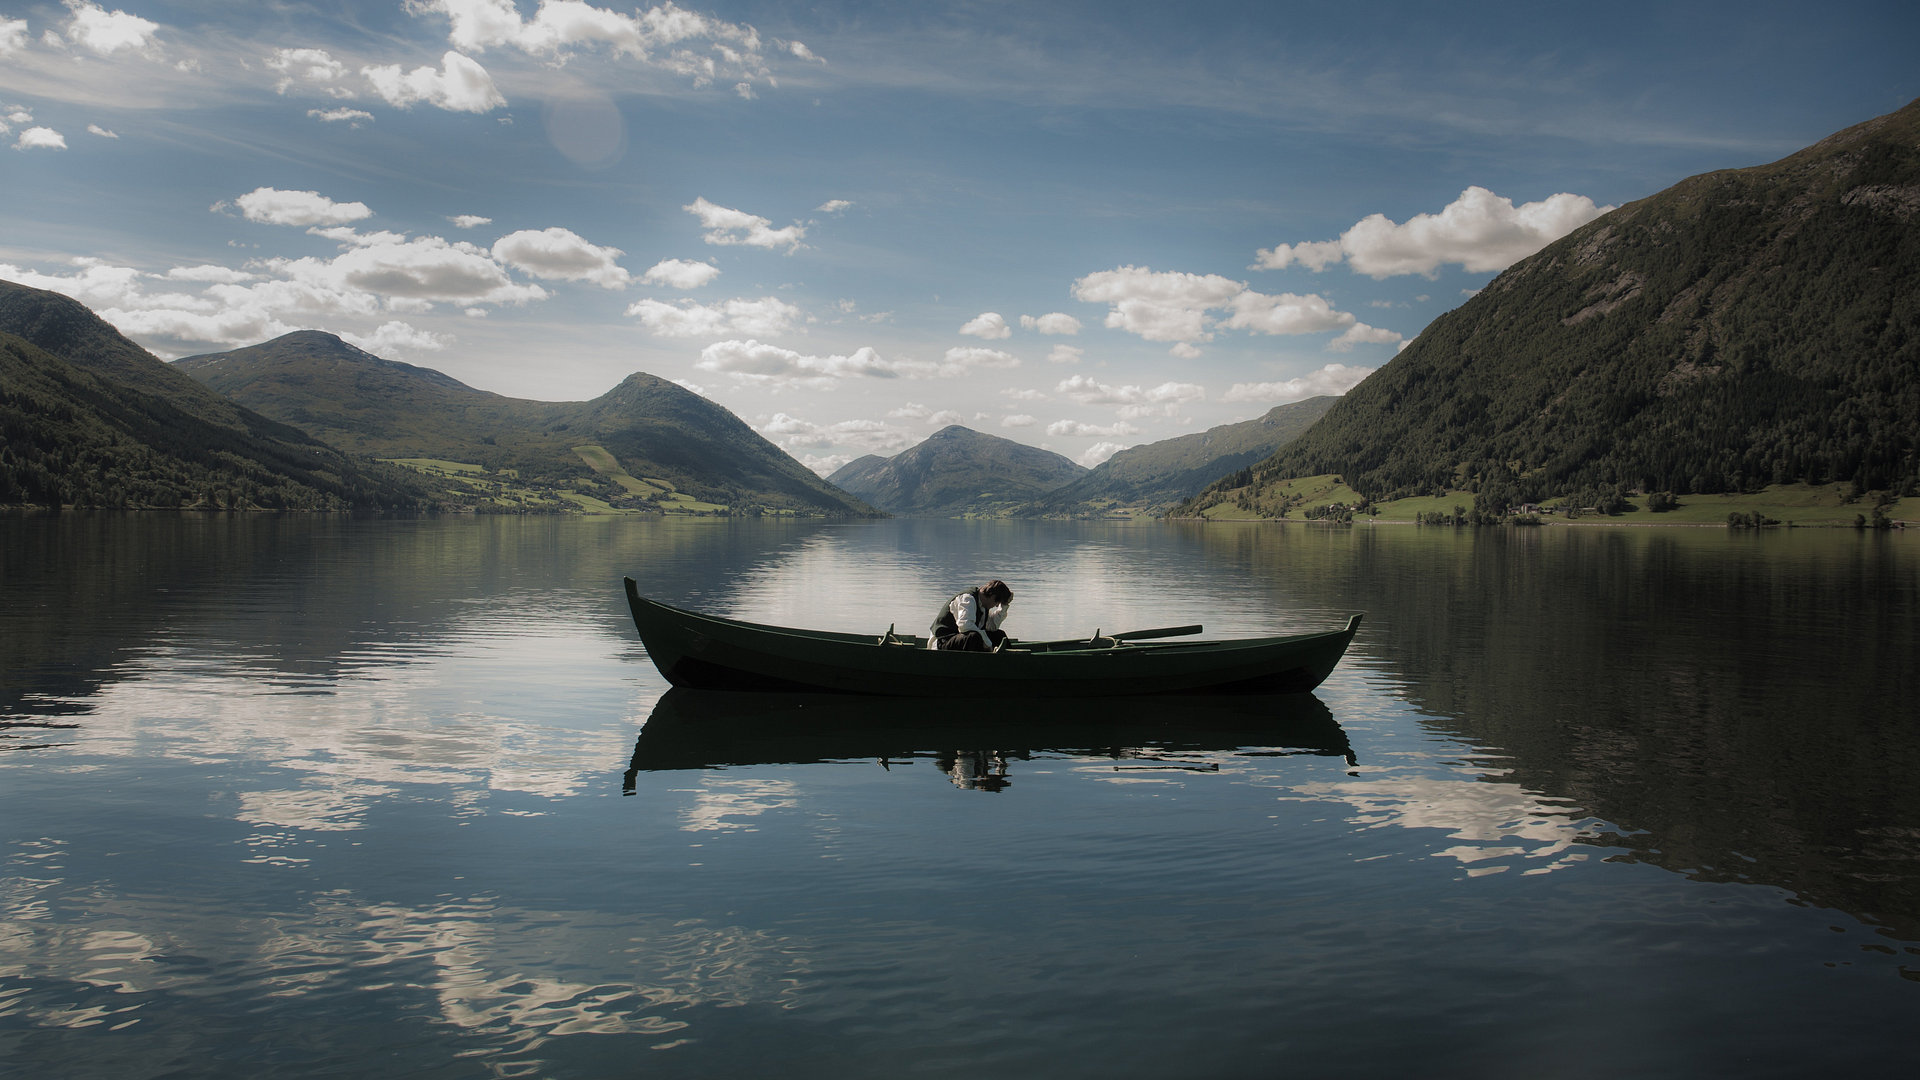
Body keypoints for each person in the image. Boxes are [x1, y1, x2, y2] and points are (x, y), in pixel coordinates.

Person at [928, 579, 1013, 651]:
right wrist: (988, 644)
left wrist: (1004, 606)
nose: (996, 606)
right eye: (997, 603)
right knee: (973, 637)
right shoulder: (967, 599)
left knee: (999, 635)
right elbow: (965, 626)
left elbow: (992, 627)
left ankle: (1010, 663)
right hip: (942, 642)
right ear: (991, 595)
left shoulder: (983, 606)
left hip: (958, 640)